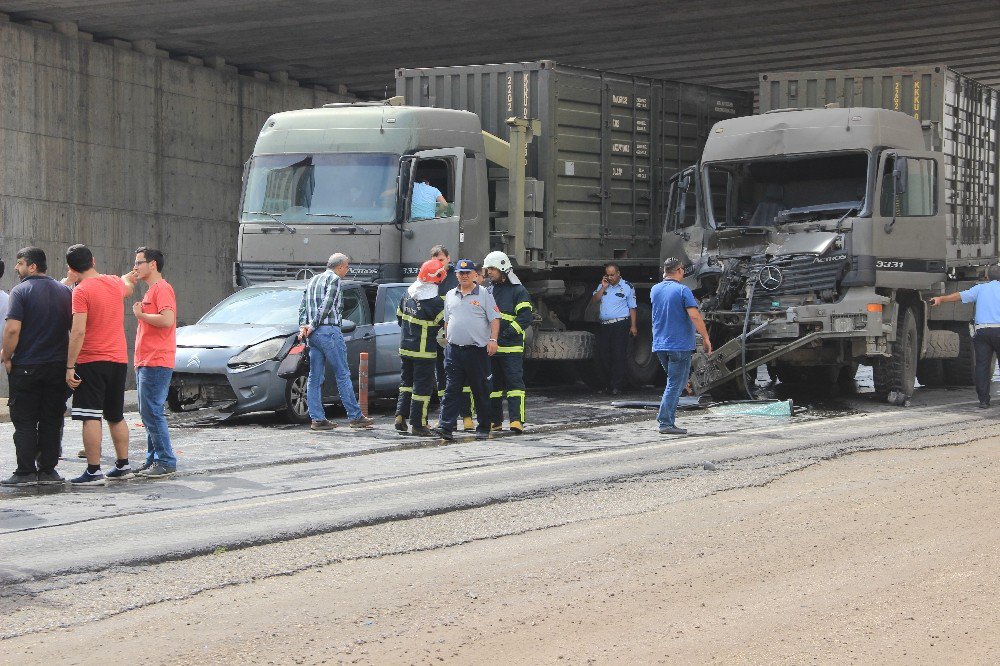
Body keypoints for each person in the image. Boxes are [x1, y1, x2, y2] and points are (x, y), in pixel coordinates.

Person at [0, 248, 72, 487]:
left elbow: (12, 330)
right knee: (52, 419)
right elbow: (72, 330)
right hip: (57, 366)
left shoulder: (20, 291)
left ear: (32, 267)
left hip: (27, 366)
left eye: (19, 263)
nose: (15, 268)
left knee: (25, 420)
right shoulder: (65, 292)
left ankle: (25, 472)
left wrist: (6, 355)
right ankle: (49, 471)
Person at [65, 244, 135, 486]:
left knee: (90, 416)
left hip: (92, 359)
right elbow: (128, 286)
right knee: (115, 415)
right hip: (118, 359)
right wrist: (128, 276)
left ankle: (94, 470)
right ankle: (123, 465)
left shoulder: (81, 291)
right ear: (93, 260)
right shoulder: (114, 282)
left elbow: (78, 332)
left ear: (71, 268)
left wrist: (69, 366)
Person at [298, 253, 375, 430]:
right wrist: (314, 324)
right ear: (340, 266)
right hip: (328, 331)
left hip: (313, 335)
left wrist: (304, 326)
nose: (347, 270)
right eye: (347, 266)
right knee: (342, 374)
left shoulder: (313, 280)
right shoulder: (333, 280)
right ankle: (355, 417)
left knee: (314, 377)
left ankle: (317, 419)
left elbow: (302, 306)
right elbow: (327, 304)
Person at [433, 259, 500, 441]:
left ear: (474, 275)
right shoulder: (450, 295)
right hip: (454, 351)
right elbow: (447, 320)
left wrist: (493, 340)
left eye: (467, 273)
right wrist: (448, 339)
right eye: (460, 273)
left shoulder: (484, 294)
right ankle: (446, 427)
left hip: (476, 351)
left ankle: (484, 427)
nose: (464, 276)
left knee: (480, 389)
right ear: (456, 275)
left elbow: (494, 318)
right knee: (451, 389)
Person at [131, 247, 178, 477]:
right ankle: (153, 459)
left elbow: (168, 320)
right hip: (146, 360)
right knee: (147, 412)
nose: (135, 267)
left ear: (153, 265)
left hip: (156, 360)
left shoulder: (162, 288)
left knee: (152, 411)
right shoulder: (151, 291)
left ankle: (166, 460)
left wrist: (141, 316)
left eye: (139, 262)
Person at [651, 258, 712, 436]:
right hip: (679, 344)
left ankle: (665, 419)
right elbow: (694, 316)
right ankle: (665, 422)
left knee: (675, 381)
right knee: (674, 385)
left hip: (660, 344)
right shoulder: (683, 290)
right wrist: (706, 338)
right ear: (679, 270)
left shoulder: (655, 290)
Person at [929, 264, 1000, 408]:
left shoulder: (980, 288)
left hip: (982, 332)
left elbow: (960, 296)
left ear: (987, 277)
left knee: (982, 366)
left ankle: (984, 401)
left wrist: (941, 299)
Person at [482, 251, 533, 433]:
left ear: (503, 268)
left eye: (492, 269)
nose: (489, 272)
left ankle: (516, 421)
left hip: (511, 347)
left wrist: (509, 333)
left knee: (514, 385)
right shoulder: (489, 290)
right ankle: (495, 421)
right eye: (488, 269)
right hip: (493, 346)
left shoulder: (518, 291)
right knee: (493, 387)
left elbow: (526, 318)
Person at [395, 259, 446, 436]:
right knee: (422, 389)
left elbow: (399, 319)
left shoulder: (407, 294)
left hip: (405, 348)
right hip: (423, 351)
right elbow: (446, 325)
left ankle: (400, 417)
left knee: (406, 384)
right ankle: (418, 424)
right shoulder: (435, 302)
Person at [430, 245, 476, 429]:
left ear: (449, 259)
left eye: (441, 260)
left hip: (457, 335)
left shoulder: (455, 279)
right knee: (442, 379)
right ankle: (446, 419)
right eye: (435, 261)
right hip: (437, 337)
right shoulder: (431, 280)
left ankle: (467, 418)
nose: (438, 264)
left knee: (464, 379)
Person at [591, 262, 638, 395]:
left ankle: (616, 385)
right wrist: (603, 288)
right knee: (603, 355)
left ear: (618, 274)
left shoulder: (627, 287)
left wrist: (633, 326)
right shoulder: (603, 285)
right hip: (604, 325)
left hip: (620, 324)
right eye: (608, 275)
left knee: (618, 355)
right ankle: (606, 384)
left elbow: (632, 307)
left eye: (612, 275)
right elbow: (594, 299)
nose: (610, 277)